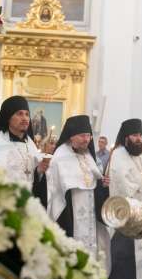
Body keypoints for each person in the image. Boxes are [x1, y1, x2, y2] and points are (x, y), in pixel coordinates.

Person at [47, 115, 111, 271]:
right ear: (71, 136)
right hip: (70, 217)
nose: (87, 139)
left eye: (88, 135)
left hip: (90, 217)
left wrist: (103, 184)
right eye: (82, 135)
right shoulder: (60, 157)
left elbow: (94, 182)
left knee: (92, 255)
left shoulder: (88, 156)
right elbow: (54, 192)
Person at [108, 119, 142, 279]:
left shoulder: (139, 154)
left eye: (140, 135)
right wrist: (141, 183)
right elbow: (121, 181)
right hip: (126, 210)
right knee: (125, 252)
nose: (138, 139)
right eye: (135, 135)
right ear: (126, 137)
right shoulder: (119, 154)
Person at [0, 96, 48, 206]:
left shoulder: (31, 144)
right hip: (4, 204)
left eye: (27, 114)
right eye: (19, 114)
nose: (25, 118)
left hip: (28, 203)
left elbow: (33, 176)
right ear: (8, 117)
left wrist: (40, 170)